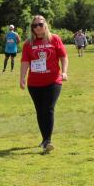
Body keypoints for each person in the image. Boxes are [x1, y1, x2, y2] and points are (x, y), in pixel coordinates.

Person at [20, 15, 68, 154]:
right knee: (40, 111)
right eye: (34, 25)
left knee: (48, 108)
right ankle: (44, 139)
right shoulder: (28, 43)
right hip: (35, 83)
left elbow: (63, 57)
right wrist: (22, 78)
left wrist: (64, 72)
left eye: (40, 24)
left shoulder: (54, 39)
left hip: (53, 81)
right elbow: (25, 62)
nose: (38, 27)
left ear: (45, 25)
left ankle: (48, 140)